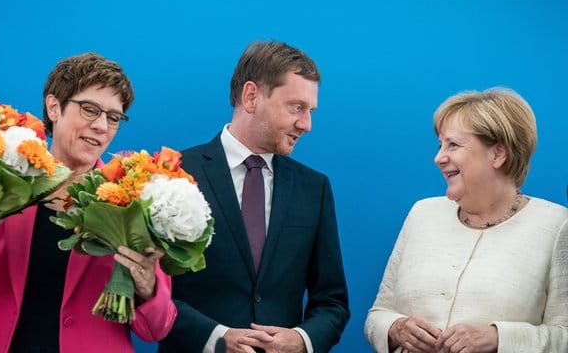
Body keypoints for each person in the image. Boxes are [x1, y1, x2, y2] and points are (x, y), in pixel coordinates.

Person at [0, 53, 177, 352]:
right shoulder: (1, 187)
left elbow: (157, 328)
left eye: (113, 117)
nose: (102, 126)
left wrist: (148, 288)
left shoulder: (133, 199)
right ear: (54, 107)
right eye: (90, 110)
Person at [159, 41, 350, 353]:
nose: (307, 124)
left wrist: (301, 340)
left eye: (311, 111)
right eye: (297, 107)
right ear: (251, 97)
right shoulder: (174, 174)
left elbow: (333, 302)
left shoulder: (314, 189)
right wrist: (217, 338)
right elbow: (152, 294)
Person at [364, 88, 568, 353]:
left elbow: (564, 335)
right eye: (440, 145)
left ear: (497, 154)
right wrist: (396, 328)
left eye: (453, 145)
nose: (439, 158)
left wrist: (499, 338)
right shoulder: (421, 214)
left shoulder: (556, 225)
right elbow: (378, 313)